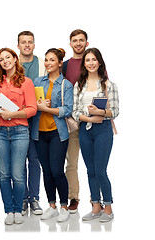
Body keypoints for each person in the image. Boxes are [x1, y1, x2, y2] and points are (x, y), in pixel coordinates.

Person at [73, 48, 119, 222]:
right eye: (87, 60)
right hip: (85, 129)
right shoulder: (79, 85)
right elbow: (75, 111)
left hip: (103, 130)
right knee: (90, 171)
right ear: (84, 63)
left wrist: (100, 112)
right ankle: (95, 207)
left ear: (99, 62)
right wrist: (89, 117)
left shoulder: (108, 85)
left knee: (100, 171)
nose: (91, 63)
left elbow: (115, 111)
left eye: (94, 60)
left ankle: (108, 208)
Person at [0, 48, 37, 225]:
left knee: (18, 174)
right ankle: (8, 210)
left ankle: (18, 209)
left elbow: (32, 109)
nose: (5, 61)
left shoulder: (26, 82)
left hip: (20, 132)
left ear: (15, 59)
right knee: (4, 174)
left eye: (8, 57)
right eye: (1, 59)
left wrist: (13, 113)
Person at [31, 48, 73, 222]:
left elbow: (67, 109)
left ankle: (64, 206)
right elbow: (30, 103)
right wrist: (38, 104)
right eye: (46, 60)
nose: (48, 63)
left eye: (52, 60)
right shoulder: (38, 81)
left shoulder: (66, 85)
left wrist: (46, 108)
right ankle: (52, 206)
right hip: (39, 133)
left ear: (59, 63)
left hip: (57, 133)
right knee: (46, 171)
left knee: (57, 170)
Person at [17, 31, 45, 215]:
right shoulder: (11, 63)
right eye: (23, 42)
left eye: (30, 42)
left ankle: (34, 198)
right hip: (17, 120)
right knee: (19, 163)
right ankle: (22, 198)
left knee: (34, 160)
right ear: (18, 45)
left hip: (38, 120)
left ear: (34, 45)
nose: (27, 45)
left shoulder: (43, 63)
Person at [62, 29, 89, 213]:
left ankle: (98, 200)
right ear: (70, 43)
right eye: (74, 40)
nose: (78, 43)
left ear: (87, 43)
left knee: (94, 164)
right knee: (71, 162)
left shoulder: (92, 62)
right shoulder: (64, 65)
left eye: (81, 40)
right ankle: (73, 197)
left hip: (90, 120)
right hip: (70, 121)